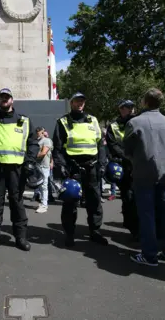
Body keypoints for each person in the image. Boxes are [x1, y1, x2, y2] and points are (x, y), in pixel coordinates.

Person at [0, 88, 39, 253]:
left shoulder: (24, 121)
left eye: (7, 97)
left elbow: (32, 143)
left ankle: (20, 237)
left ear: (12, 100)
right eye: (1, 97)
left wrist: (30, 162)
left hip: (17, 169)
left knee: (17, 204)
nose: (4, 99)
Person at [124, 88, 165, 266]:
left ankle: (149, 254)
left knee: (147, 214)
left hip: (144, 174)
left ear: (145, 102)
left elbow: (128, 150)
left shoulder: (135, 122)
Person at [53, 92, 108, 247]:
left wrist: (102, 163)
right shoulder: (63, 122)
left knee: (95, 201)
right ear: (71, 103)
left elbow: (100, 144)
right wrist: (61, 165)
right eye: (77, 101)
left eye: (82, 101)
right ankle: (69, 234)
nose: (80, 104)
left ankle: (95, 231)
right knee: (70, 202)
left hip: (92, 167)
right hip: (73, 167)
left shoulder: (93, 120)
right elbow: (57, 148)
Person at [105, 99, 139, 238]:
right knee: (128, 196)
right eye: (127, 107)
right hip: (124, 165)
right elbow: (113, 146)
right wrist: (128, 157)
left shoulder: (139, 122)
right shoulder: (113, 126)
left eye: (132, 107)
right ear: (120, 109)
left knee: (138, 197)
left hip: (139, 164)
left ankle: (134, 224)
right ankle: (133, 227)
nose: (130, 110)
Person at [35, 127, 53, 213]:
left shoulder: (46, 140)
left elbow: (43, 152)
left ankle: (44, 205)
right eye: (37, 132)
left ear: (43, 132)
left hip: (44, 166)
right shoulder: (37, 141)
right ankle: (42, 202)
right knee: (40, 185)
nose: (38, 134)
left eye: (39, 132)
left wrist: (32, 157)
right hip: (38, 165)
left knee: (44, 185)